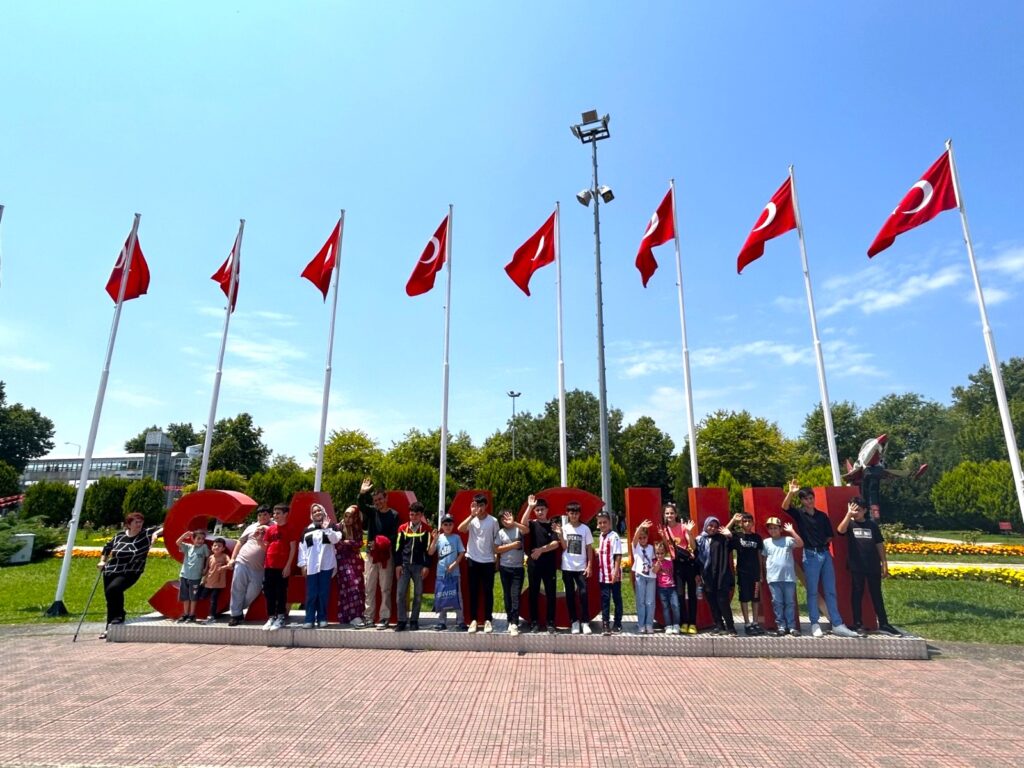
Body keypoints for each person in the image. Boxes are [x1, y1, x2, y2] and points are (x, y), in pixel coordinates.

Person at [781, 482, 859, 638]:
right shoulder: (800, 514)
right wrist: (790, 493)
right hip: (810, 555)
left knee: (831, 591)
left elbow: (830, 534)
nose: (809, 501)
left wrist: (822, 543)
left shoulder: (822, 516)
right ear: (802, 501)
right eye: (806, 499)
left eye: (811, 498)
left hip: (825, 554)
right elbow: (785, 507)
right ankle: (814, 624)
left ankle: (837, 624)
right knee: (812, 592)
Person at [836, 496, 900, 636]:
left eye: (858, 510)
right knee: (857, 593)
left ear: (865, 510)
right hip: (857, 566)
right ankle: (857, 623)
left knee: (876, 594)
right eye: (853, 510)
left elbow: (879, 544)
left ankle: (883, 623)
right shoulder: (850, 525)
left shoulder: (872, 525)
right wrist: (848, 515)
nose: (855, 512)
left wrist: (884, 563)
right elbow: (840, 531)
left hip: (873, 566)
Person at [96, 512, 162, 639]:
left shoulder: (145, 534)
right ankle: (110, 627)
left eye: (141, 522)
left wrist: (156, 533)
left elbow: (166, 526)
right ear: (128, 524)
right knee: (110, 598)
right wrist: (102, 561)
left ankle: (119, 615)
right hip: (111, 570)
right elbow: (107, 548)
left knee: (114, 589)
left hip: (131, 571)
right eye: (136, 522)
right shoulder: (119, 536)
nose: (139, 524)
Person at [358, 477, 400, 629]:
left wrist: (381, 542)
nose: (378, 502)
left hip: (386, 555)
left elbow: (395, 536)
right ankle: (368, 617)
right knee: (369, 587)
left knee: (385, 587)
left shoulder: (394, 515)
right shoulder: (372, 512)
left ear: (386, 498)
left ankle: (384, 617)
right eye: (375, 500)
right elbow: (361, 505)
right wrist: (362, 493)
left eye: (380, 499)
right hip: (370, 555)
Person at [458, 493, 499, 633]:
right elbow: (460, 528)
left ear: (486, 506)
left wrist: (496, 559)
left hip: (488, 561)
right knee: (473, 591)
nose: (479, 508)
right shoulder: (472, 520)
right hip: (472, 560)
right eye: (476, 505)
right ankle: (473, 620)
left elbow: (496, 541)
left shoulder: (493, 521)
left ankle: (488, 620)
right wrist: (471, 515)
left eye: (481, 505)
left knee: (488, 591)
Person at [521, 495, 561, 634]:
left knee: (551, 594)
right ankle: (534, 622)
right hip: (534, 565)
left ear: (547, 510)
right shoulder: (532, 524)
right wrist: (530, 506)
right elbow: (522, 523)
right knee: (533, 593)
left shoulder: (553, 524)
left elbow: (556, 543)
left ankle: (551, 622)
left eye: (542, 509)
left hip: (549, 565)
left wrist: (541, 550)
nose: (539, 512)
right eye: (537, 510)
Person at [297, 503, 341, 629]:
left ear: (323, 512)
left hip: (326, 565)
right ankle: (309, 619)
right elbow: (302, 548)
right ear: (312, 515)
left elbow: (336, 539)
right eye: (314, 511)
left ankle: (322, 618)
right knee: (311, 594)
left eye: (319, 511)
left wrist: (326, 529)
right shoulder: (307, 530)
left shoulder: (331, 526)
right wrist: (302, 564)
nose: (317, 513)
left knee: (323, 593)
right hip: (311, 566)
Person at [761, 516, 803, 636]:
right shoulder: (766, 542)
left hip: (789, 578)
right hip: (773, 578)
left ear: (780, 529)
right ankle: (781, 626)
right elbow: (763, 559)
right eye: (770, 528)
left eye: (775, 528)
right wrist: (764, 574)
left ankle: (791, 626)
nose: (773, 530)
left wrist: (792, 531)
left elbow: (800, 544)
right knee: (777, 603)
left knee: (789, 603)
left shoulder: (788, 540)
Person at [695, 516, 736, 635]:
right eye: (710, 525)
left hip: (721, 575)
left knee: (723, 602)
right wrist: (698, 574)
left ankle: (730, 627)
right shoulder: (700, 540)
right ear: (705, 525)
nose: (712, 528)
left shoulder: (722, 539)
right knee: (712, 602)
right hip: (707, 576)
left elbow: (734, 545)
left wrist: (730, 535)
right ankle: (719, 625)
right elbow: (697, 558)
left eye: (715, 526)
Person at [660, 504, 697, 634]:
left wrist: (689, 532)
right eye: (667, 513)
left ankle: (692, 623)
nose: (669, 516)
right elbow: (667, 548)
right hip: (676, 565)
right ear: (664, 515)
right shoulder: (664, 530)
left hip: (688, 564)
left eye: (671, 513)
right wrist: (663, 537)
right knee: (680, 594)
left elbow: (692, 546)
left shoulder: (682, 527)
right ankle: (683, 621)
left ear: (676, 514)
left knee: (692, 594)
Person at [395, 501, 432, 631]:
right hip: (404, 566)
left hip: (419, 566)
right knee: (400, 593)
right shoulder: (402, 528)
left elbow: (428, 550)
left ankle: (414, 620)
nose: (413, 517)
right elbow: (398, 548)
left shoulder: (426, 530)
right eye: (411, 514)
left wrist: (426, 566)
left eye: (416, 515)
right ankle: (401, 620)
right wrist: (398, 565)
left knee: (418, 594)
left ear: (421, 515)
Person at [559, 500, 593, 635]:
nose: (574, 515)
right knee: (569, 595)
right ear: (567, 514)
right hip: (567, 566)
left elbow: (589, 548)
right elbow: (564, 547)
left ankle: (585, 622)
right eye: (571, 513)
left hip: (581, 567)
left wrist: (589, 565)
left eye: (576, 513)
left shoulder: (585, 529)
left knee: (584, 593)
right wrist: (560, 535)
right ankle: (574, 621)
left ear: (580, 514)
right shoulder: (565, 528)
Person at [427, 514, 466, 631]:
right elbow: (430, 552)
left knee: (457, 596)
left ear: (453, 525)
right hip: (441, 573)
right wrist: (434, 540)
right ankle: (441, 621)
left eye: (450, 524)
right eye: (445, 524)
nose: (448, 526)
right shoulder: (439, 538)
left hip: (454, 573)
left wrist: (455, 564)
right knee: (441, 596)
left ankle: (460, 620)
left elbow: (461, 553)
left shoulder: (456, 538)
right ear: (442, 526)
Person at [262, 504, 297, 631]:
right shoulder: (270, 529)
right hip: (269, 565)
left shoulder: (290, 528)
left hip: (282, 566)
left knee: (281, 592)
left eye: (278, 513)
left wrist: (288, 566)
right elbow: (265, 547)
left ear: (285, 514)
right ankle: (271, 617)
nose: (275, 515)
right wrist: (259, 541)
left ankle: (281, 616)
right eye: (274, 513)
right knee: (269, 592)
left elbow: (293, 548)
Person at [731, 513, 765, 635]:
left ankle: (755, 622)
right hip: (742, 573)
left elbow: (759, 555)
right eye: (744, 521)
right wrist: (733, 520)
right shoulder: (737, 536)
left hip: (754, 573)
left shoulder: (757, 537)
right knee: (744, 598)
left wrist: (760, 572)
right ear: (741, 524)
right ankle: (747, 623)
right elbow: (724, 532)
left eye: (749, 521)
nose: (747, 523)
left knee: (755, 598)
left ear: (753, 523)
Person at [226, 525, 267, 626]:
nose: (262, 517)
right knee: (237, 587)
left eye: (265, 514)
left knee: (255, 590)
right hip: (242, 561)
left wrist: (265, 531)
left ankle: (238, 608)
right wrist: (233, 558)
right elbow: (240, 542)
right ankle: (235, 615)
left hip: (259, 567)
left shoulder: (273, 526)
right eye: (260, 515)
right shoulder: (251, 527)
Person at [495, 509, 528, 635]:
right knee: (507, 595)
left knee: (515, 595)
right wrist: (513, 546)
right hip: (505, 568)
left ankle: (515, 622)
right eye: (503, 519)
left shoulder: (518, 529)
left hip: (518, 569)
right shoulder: (500, 533)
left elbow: (526, 530)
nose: (506, 521)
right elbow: (496, 549)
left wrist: (514, 523)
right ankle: (509, 619)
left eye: (508, 517)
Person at [334, 504, 365, 627]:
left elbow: (360, 543)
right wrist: (350, 543)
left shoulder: (357, 529)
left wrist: (348, 542)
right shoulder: (338, 527)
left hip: (355, 561)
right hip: (342, 561)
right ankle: (349, 616)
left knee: (359, 585)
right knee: (350, 586)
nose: (347, 519)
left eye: (351, 517)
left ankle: (357, 615)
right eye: (346, 516)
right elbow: (337, 544)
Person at [595, 510, 623, 636]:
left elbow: (617, 555)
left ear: (609, 523)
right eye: (600, 523)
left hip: (613, 574)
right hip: (603, 575)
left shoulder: (614, 536)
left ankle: (617, 623)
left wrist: (616, 572)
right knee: (605, 599)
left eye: (604, 522)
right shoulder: (601, 536)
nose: (602, 525)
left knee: (617, 599)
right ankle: (605, 623)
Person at [174, 529, 209, 624]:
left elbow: (208, 558)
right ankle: (185, 614)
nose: (200, 541)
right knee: (185, 597)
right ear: (193, 539)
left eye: (202, 539)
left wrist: (206, 568)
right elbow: (178, 542)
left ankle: (192, 614)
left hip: (196, 577)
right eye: (198, 538)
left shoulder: (204, 547)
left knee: (193, 597)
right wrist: (184, 535)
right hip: (184, 575)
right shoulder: (188, 547)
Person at [631, 520, 656, 635]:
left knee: (650, 602)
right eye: (640, 538)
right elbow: (635, 538)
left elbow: (655, 560)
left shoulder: (651, 547)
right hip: (640, 576)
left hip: (651, 577)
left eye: (644, 537)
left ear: (648, 537)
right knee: (640, 601)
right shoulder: (636, 547)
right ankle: (641, 624)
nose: (642, 540)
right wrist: (640, 527)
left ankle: (649, 624)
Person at [199, 537, 230, 624]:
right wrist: (202, 577)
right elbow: (206, 569)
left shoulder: (224, 556)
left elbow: (230, 564)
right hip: (208, 582)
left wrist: (224, 567)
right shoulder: (210, 557)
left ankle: (212, 616)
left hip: (218, 584)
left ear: (223, 548)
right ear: (212, 547)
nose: (216, 547)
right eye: (215, 545)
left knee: (213, 600)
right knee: (202, 596)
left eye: (219, 546)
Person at [653, 540, 680, 634]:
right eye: (657, 553)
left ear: (665, 553)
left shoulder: (669, 562)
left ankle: (676, 624)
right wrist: (657, 564)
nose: (659, 555)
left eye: (661, 553)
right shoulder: (655, 562)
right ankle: (668, 625)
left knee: (675, 605)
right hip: (661, 588)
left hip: (672, 587)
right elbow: (654, 571)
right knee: (666, 607)